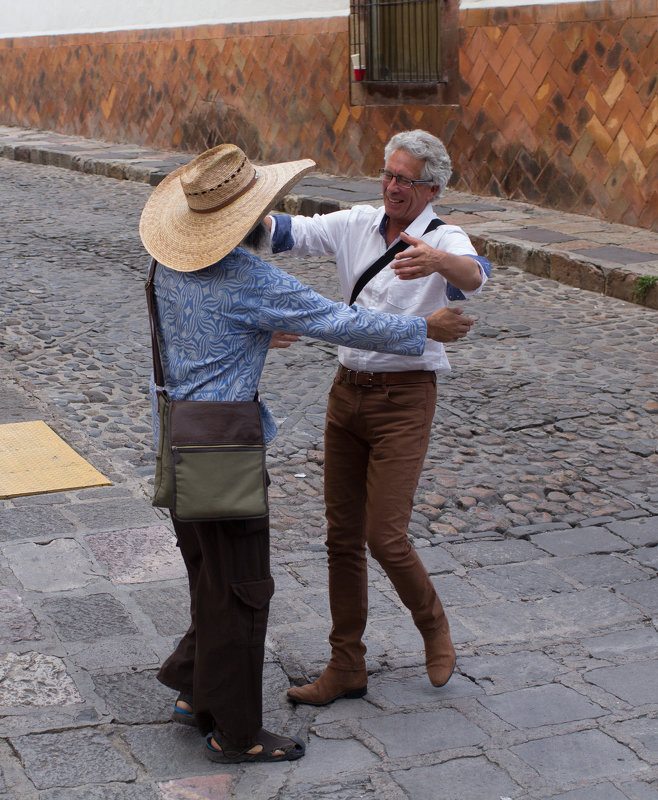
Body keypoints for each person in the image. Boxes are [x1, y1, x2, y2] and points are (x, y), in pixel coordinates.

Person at [139, 143, 473, 763]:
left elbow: (204, 328)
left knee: (208, 574)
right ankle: (236, 732)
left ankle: (193, 690)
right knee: (243, 585)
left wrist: (257, 329)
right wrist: (424, 329)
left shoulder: (165, 265)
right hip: (225, 443)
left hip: (177, 433)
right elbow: (335, 320)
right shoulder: (248, 277)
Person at [266, 130, 491, 706]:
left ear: (431, 188)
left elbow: (475, 275)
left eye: (405, 180)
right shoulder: (356, 224)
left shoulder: (445, 238)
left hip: (405, 400)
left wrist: (438, 260)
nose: (392, 187)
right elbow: (289, 232)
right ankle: (347, 664)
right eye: (388, 175)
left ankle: (433, 625)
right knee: (340, 537)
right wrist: (239, 214)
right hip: (347, 396)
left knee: (383, 535)